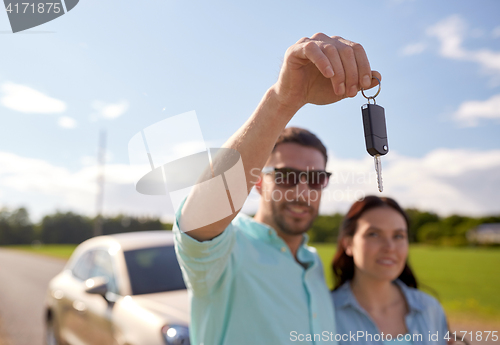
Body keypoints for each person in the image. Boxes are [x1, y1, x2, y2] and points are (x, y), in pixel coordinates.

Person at [173, 33, 381, 345]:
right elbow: (200, 218)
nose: (301, 191)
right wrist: (284, 100)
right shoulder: (229, 250)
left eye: (314, 179)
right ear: (257, 180)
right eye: (285, 176)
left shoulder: (313, 264)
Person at [331, 196, 448, 345]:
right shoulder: (324, 312)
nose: (390, 247)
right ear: (348, 244)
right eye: (373, 234)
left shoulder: (429, 308)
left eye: (398, 236)